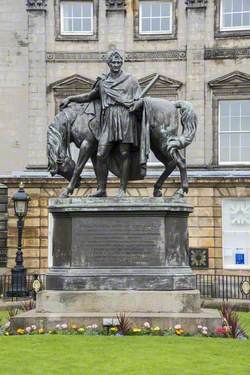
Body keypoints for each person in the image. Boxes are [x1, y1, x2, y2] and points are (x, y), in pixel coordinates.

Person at [60, 50, 147, 197]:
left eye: (118, 62)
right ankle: (101, 189)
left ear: (122, 63)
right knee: (101, 154)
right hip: (108, 118)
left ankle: (122, 189)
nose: (116, 65)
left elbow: (139, 99)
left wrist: (136, 105)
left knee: (125, 153)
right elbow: (89, 96)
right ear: (109, 64)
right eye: (113, 62)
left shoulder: (131, 80)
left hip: (125, 117)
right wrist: (71, 98)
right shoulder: (103, 81)